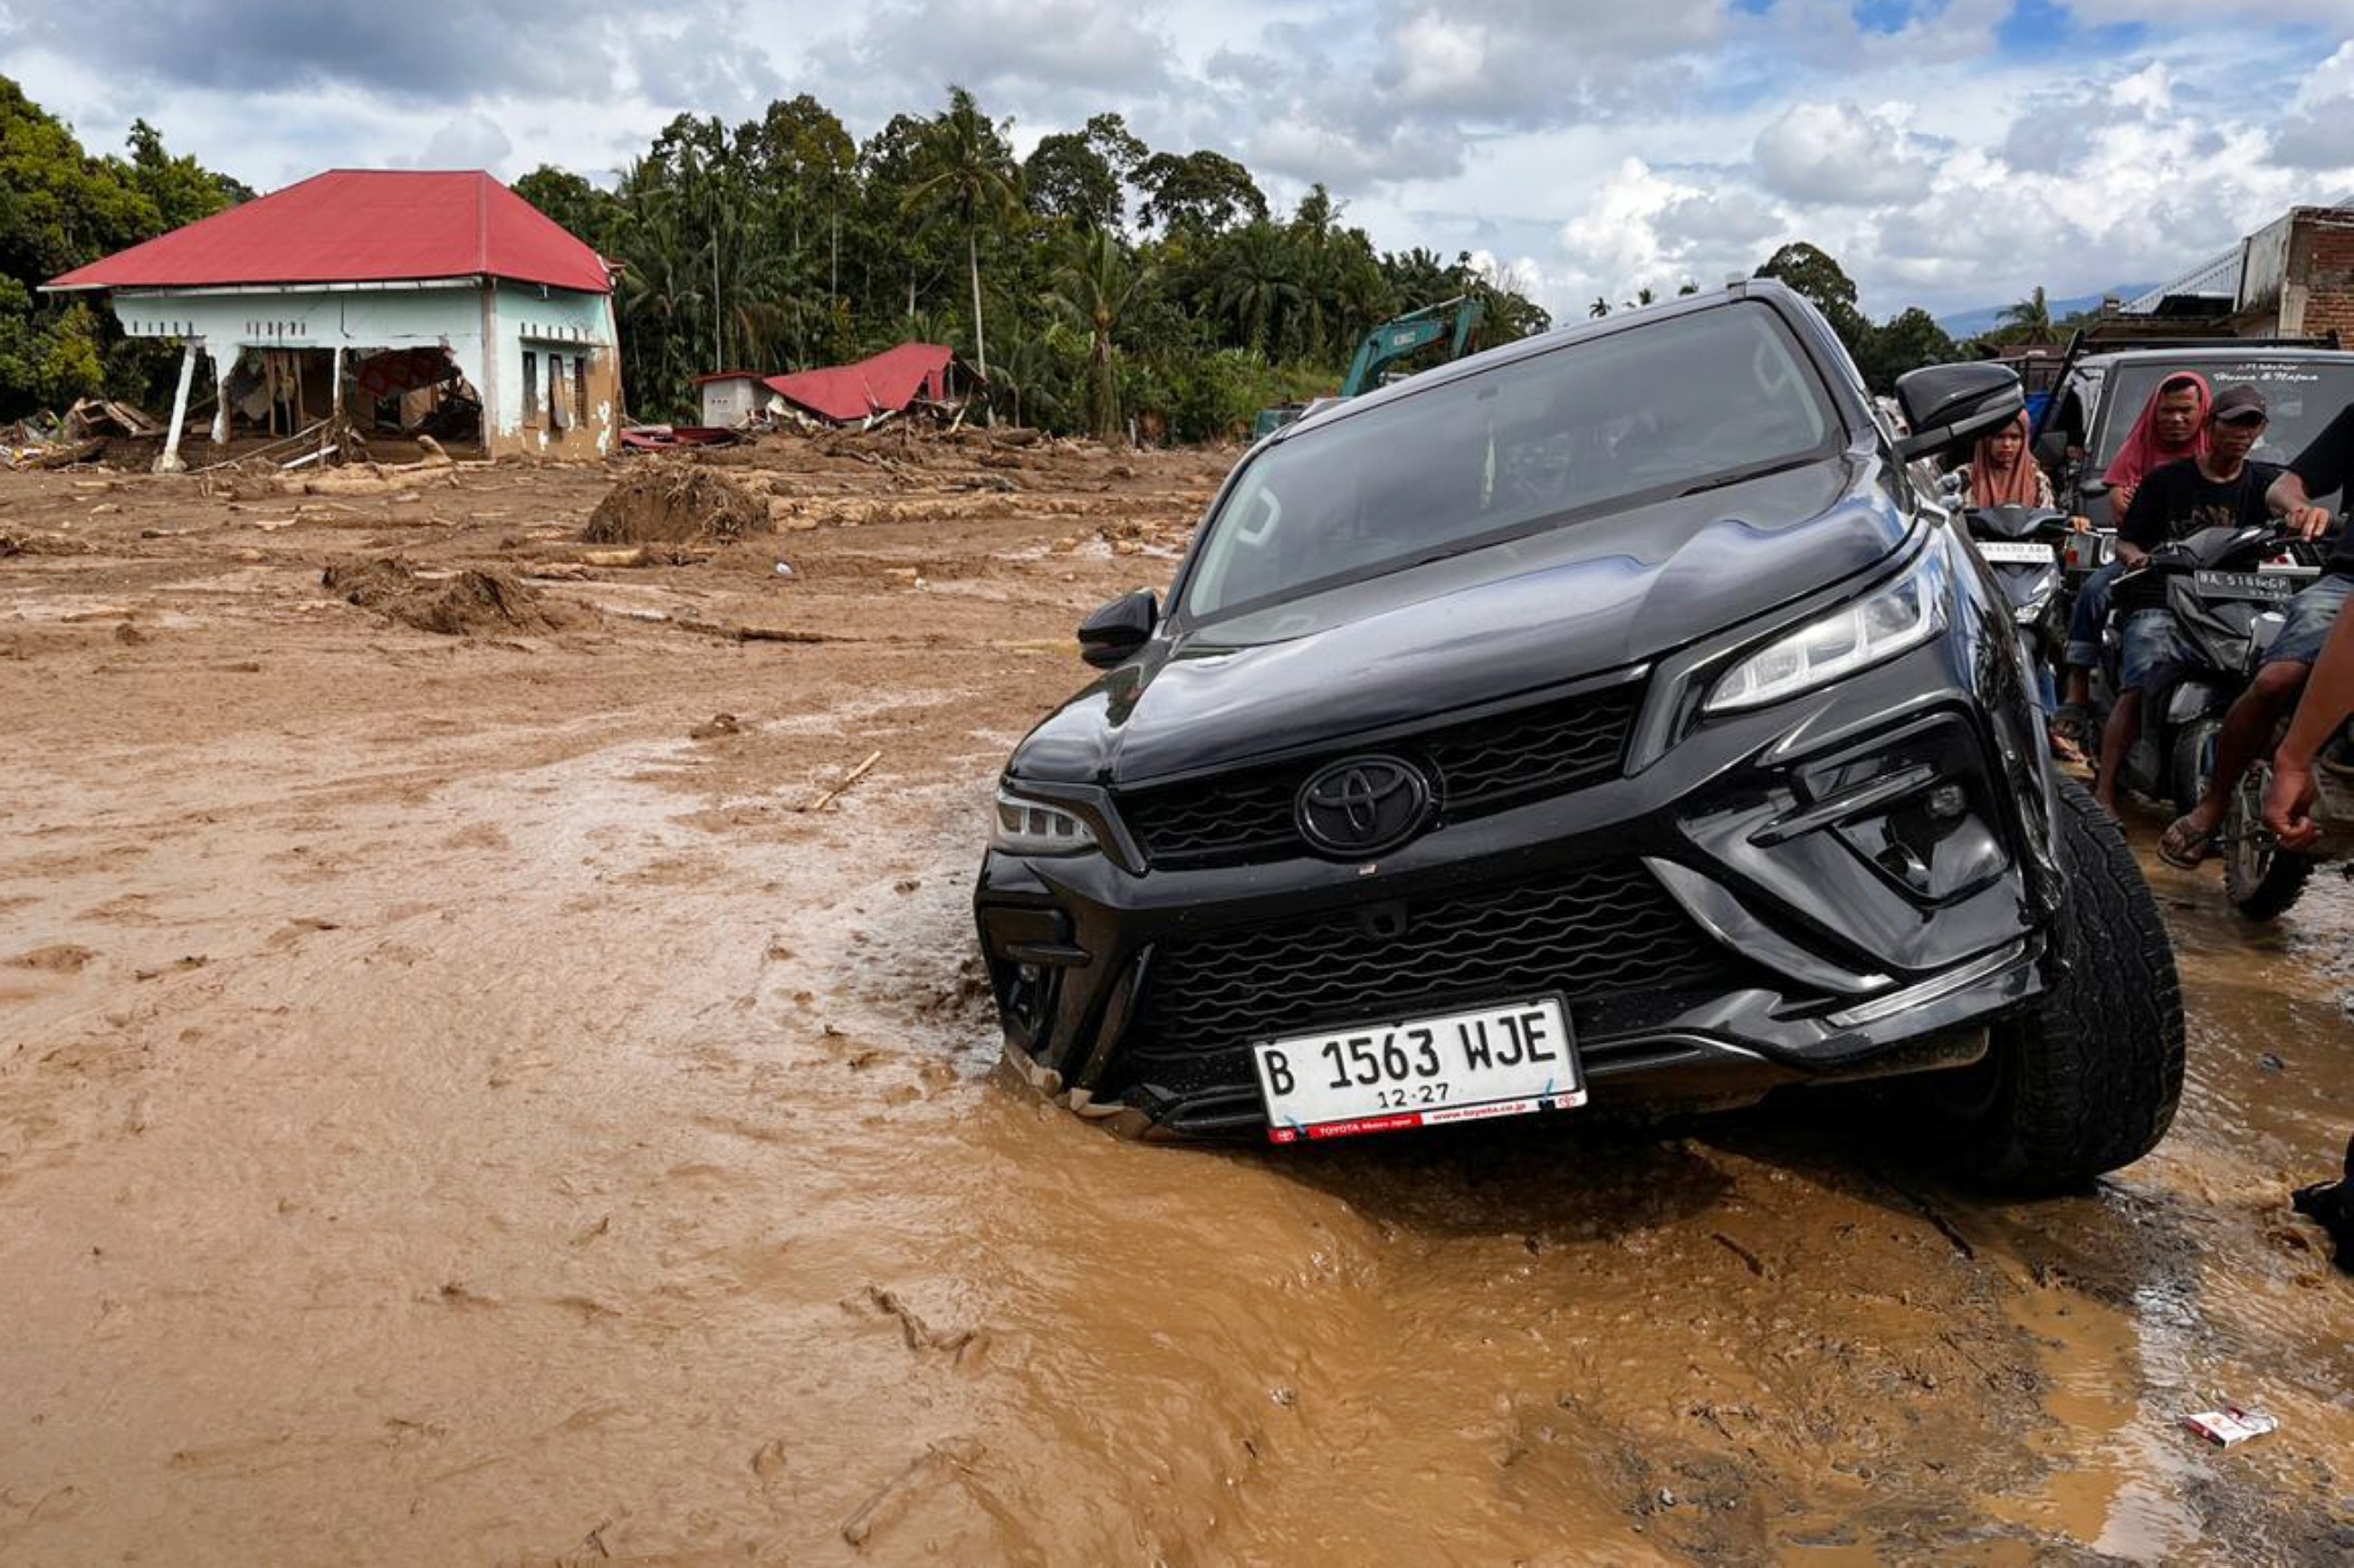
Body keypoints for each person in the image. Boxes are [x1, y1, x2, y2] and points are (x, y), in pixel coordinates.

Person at [2165, 396, 2354, 864]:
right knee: (2278, 679)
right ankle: (2213, 804)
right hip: (2345, 579)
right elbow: (2284, 488)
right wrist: (2300, 508)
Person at [2093, 385, 2281, 817]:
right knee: (2142, 678)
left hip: (2234, 603)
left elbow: (2295, 507)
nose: (2240, 433)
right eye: (2232, 422)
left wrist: (2303, 520)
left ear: (2261, 430)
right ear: (2211, 425)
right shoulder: (2166, 481)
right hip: (2163, 598)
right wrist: (2140, 558)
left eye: (2250, 423)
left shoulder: (2267, 484)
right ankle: (2104, 790)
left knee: (2274, 676)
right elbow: (2126, 542)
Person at [2053, 373, 2213, 750]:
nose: (2175, 420)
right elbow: (2123, 512)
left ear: (2203, 412)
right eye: (2167, 411)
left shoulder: (2217, 456)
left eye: (2185, 411)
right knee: (2093, 591)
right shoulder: (2139, 448)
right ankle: (2077, 690)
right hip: (2143, 560)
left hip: (2208, 567)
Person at [1957, 410, 2056, 509]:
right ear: (1984, 439)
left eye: (2015, 437)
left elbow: (2047, 519)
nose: (2007, 444)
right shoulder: (1963, 478)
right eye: (1999, 437)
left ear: (2024, 440)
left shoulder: (2037, 480)